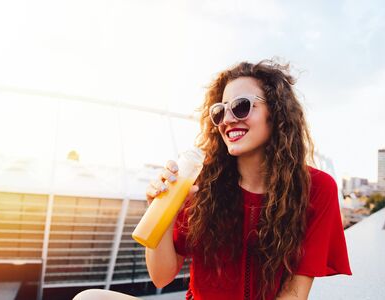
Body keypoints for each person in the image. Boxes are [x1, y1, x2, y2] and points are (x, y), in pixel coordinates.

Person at [145, 60, 351, 300]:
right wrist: (162, 213)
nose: (227, 120)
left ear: (275, 112)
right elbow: (161, 277)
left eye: (241, 106)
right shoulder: (199, 182)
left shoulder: (316, 188)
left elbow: (294, 295)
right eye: (219, 111)